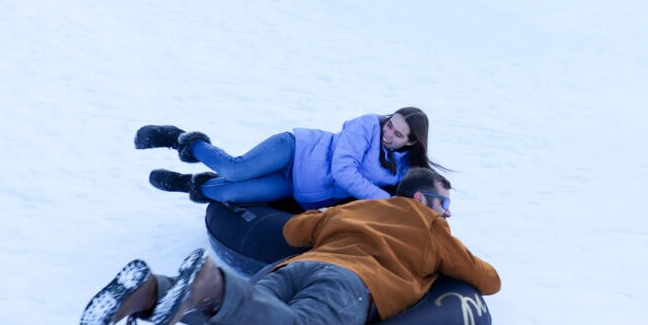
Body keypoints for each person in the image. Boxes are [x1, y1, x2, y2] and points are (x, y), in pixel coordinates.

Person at [80, 168, 500, 325]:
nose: (447, 213)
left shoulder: (356, 208)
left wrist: (333, 219)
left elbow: (296, 230)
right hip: (351, 284)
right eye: (444, 204)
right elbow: (488, 281)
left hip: (295, 268)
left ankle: (153, 291)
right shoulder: (432, 230)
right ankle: (214, 284)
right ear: (424, 200)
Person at [134, 108, 438, 208]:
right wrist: (386, 202)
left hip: (296, 187)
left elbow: (416, 194)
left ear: (412, 142)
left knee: (231, 191)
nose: (389, 134)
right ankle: (177, 138)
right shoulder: (368, 125)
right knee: (236, 169)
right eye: (391, 125)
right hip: (296, 149)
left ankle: (188, 183)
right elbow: (343, 170)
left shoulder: (404, 169)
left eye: (398, 135)